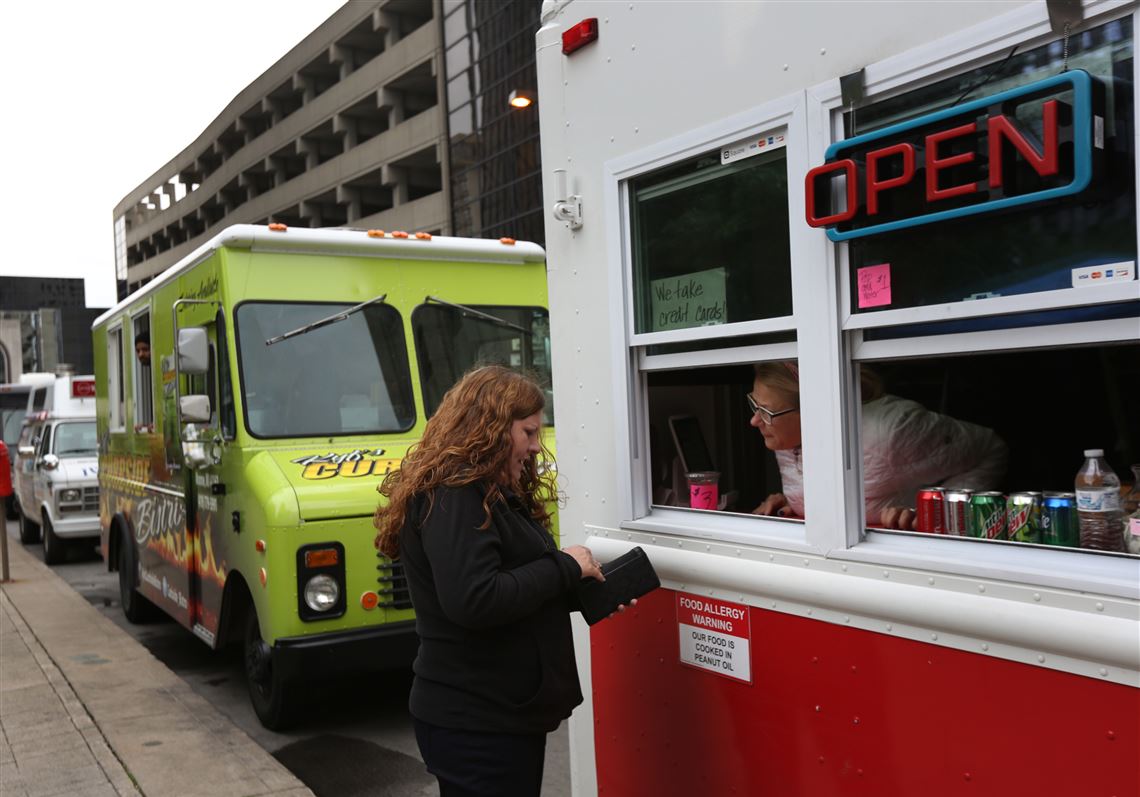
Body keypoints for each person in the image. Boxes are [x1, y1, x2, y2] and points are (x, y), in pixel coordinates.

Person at [374, 365, 612, 796]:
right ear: (491, 428)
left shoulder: (487, 491)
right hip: (476, 722)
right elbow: (475, 599)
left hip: (499, 714)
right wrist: (563, 566)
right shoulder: (452, 495)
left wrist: (584, 582)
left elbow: (514, 582)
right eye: (529, 432)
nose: (537, 447)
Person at [749, 361, 1008, 529]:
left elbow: (991, 449)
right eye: (754, 404)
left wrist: (932, 512)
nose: (754, 420)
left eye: (767, 412)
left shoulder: (893, 432)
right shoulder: (783, 437)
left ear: (814, 411)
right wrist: (796, 502)